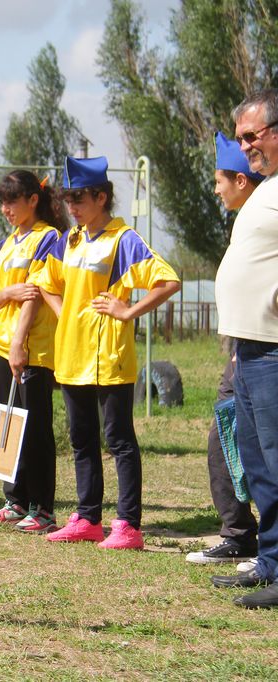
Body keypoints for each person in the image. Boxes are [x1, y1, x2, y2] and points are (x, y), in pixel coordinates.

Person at [34, 156, 180, 550]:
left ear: (101, 197)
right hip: (71, 356)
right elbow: (44, 281)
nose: (71, 206)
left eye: (79, 198)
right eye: (67, 199)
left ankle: (128, 525)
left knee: (119, 440)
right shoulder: (70, 239)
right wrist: (66, 313)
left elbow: (167, 281)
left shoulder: (123, 239)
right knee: (81, 439)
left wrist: (128, 312)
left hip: (109, 357)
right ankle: (87, 518)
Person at [211, 90, 278, 609]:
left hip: (274, 350)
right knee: (259, 464)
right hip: (250, 348)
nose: (245, 146)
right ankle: (271, 561)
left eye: (251, 135)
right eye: (240, 138)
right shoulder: (266, 189)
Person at [185, 132, 262, 565]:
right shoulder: (246, 220)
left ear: (241, 180)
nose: (216, 190)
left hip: (262, 348)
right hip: (242, 348)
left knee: (260, 445)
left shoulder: (264, 217)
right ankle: (238, 533)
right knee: (224, 439)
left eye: (219, 181)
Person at [0, 170, 66, 533]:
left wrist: (19, 343)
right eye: (2, 202)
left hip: (31, 348)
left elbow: (35, 294)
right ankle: (14, 501)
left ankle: (42, 508)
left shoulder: (49, 238)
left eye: (12, 201)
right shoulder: (6, 243)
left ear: (33, 200)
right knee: (7, 423)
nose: (6, 209)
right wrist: (9, 294)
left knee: (35, 428)